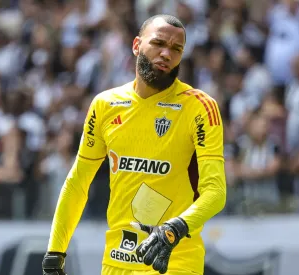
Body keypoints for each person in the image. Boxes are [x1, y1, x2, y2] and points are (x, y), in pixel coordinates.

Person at [42, 14, 227, 275]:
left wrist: (174, 229)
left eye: (176, 49)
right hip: (116, 262)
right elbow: (78, 182)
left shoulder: (199, 107)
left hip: (173, 262)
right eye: (158, 43)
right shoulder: (105, 105)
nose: (166, 54)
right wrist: (56, 251)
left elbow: (216, 192)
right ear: (136, 45)